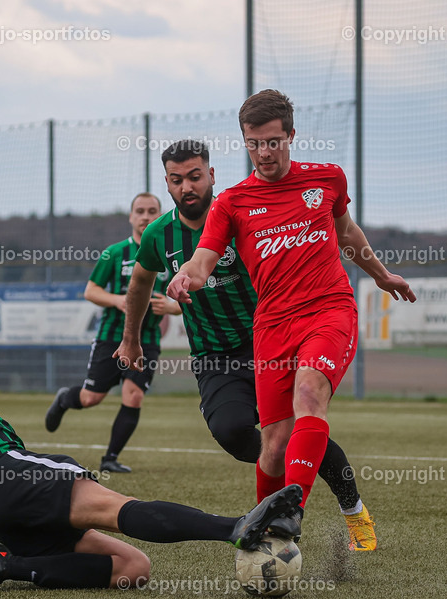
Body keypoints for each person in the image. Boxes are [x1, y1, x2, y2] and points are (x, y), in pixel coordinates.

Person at [0, 266, 302, 592]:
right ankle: (235, 527)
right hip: (7, 477)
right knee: (119, 506)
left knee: (133, 569)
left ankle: (11, 565)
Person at [167, 91, 416, 546]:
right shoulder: (233, 203)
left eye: (272, 142)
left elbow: (346, 232)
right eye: (253, 143)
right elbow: (204, 260)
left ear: (291, 137)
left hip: (329, 310)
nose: (263, 153)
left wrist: (381, 275)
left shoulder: (327, 179)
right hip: (273, 325)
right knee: (275, 444)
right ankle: (270, 538)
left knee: (309, 393)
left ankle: (288, 515)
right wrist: (186, 276)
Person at [116, 139, 370, 549]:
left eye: (195, 177)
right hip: (215, 355)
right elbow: (140, 284)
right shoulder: (159, 236)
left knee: (304, 411)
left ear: (211, 176)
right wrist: (131, 340)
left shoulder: (243, 214)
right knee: (234, 431)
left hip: (267, 340)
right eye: (177, 180)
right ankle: (291, 472)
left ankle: (351, 506)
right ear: (167, 184)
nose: (188, 188)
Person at [44, 192, 180, 474]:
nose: (145, 216)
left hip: (149, 340)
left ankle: (110, 458)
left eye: (152, 211)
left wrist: (171, 306)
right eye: (140, 211)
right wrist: (120, 300)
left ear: (161, 216)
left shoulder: (172, 252)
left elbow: (186, 300)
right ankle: (64, 398)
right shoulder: (114, 253)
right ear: (131, 217)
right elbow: (91, 291)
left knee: (134, 395)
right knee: (91, 398)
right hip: (111, 337)